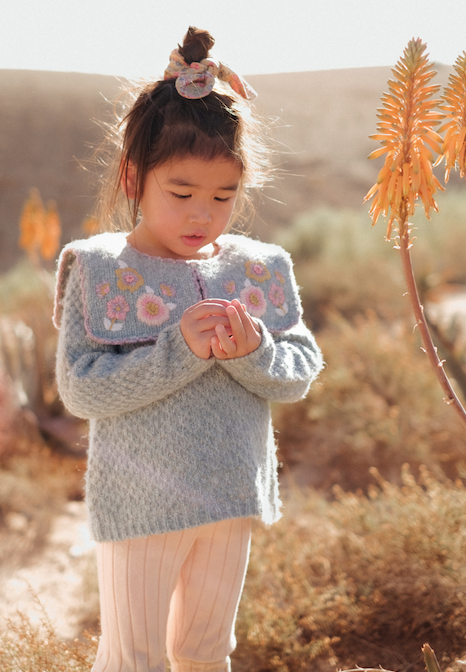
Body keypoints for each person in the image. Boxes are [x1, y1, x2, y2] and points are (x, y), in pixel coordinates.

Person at [53, 26, 323, 672]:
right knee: (132, 659)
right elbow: (81, 387)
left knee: (206, 653)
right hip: (140, 508)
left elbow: (299, 372)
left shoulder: (258, 268)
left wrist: (253, 348)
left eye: (223, 196)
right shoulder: (98, 269)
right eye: (181, 194)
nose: (203, 214)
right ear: (133, 175)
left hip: (231, 501)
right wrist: (179, 349)